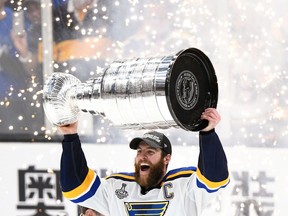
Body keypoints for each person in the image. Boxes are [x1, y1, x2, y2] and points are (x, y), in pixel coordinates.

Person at [57, 108, 229, 215]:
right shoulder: (117, 186)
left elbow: (214, 178)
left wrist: (207, 133)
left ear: (166, 158)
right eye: (139, 151)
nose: (142, 156)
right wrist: (70, 136)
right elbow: (75, 188)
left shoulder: (184, 185)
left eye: (150, 151)